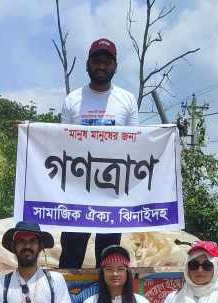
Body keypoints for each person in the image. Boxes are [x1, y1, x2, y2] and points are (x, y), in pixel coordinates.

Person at [58, 38, 137, 269]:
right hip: (77, 189)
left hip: (112, 191)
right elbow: (60, 143)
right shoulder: (72, 100)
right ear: (87, 64)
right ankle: (65, 302)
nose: (101, 66)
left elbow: (138, 144)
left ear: (115, 65)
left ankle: (108, 302)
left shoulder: (127, 100)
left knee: (109, 254)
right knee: (71, 251)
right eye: (96, 60)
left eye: (107, 61)